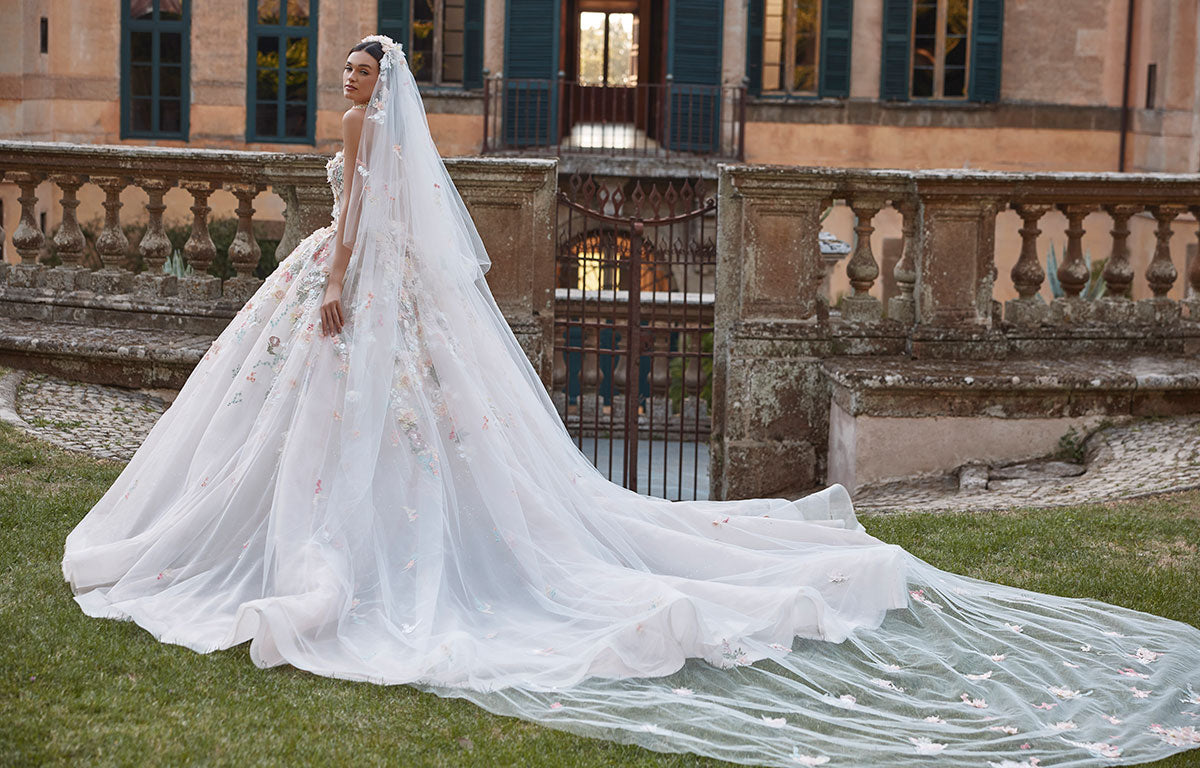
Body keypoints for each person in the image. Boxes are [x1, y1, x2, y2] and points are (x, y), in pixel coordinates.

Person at [61, 35, 1200, 768]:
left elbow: (361, 221)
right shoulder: (379, 126)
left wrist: (335, 294)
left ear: (376, 86)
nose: (348, 84)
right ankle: (352, 533)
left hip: (347, 286)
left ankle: (333, 543)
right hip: (366, 286)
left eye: (359, 73)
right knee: (384, 432)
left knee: (350, 424)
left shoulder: (359, 132)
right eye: (351, 73)